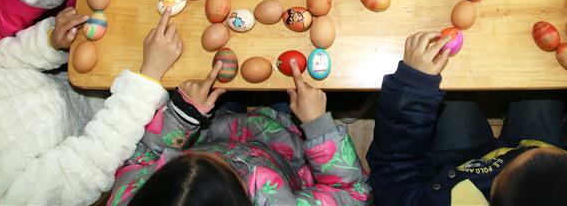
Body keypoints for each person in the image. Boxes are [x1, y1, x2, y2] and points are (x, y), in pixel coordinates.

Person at [0, 6, 183, 205]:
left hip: (81, 80)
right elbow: (89, 163)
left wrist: (49, 42)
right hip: (121, 130)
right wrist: (146, 80)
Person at [366, 30, 567, 206]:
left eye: (512, 165)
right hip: (535, 144)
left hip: (456, 168)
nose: (520, 153)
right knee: (541, 84)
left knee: (454, 99)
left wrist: (413, 87)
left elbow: (396, 170)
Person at [108, 59, 372, 205]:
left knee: (221, 75)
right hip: (285, 146)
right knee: (306, 85)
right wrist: (317, 127)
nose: (222, 159)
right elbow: (355, 192)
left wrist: (182, 116)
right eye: (227, 169)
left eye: (178, 162)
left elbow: (139, 156)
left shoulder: (131, 198)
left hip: (214, 128)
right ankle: (346, 110)